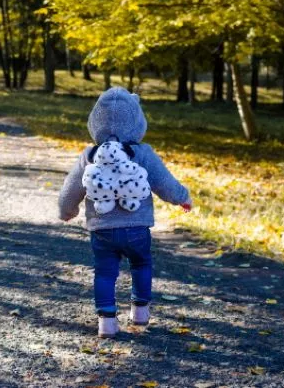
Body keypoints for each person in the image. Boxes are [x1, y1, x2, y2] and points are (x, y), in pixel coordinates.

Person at [58, 87, 192, 338]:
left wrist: (67, 210)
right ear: (137, 122)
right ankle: (140, 311)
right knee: (141, 264)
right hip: (136, 228)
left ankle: (107, 322)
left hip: (103, 229)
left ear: (94, 121)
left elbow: (71, 188)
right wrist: (182, 197)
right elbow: (164, 182)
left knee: (105, 272)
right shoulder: (142, 153)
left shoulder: (89, 155)